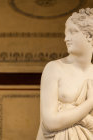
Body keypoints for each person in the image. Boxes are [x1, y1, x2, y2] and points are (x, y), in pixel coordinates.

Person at [36, 8, 93, 140]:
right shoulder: (54, 68)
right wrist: (90, 102)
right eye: (66, 33)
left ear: (90, 36)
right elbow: (50, 123)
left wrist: (67, 114)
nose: (66, 39)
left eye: (73, 32)